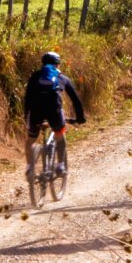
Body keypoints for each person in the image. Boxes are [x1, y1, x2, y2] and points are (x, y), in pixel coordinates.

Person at [22, 51, 86, 184]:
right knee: (60, 134)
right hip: (54, 112)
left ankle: (29, 167)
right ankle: (60, 165)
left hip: (35, 112)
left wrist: (26, 115)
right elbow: (76, 100)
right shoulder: (62, 77)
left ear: (43, 63)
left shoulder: (35, 76)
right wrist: (80, 118)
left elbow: (27, 97)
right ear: (58, 64)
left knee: (31, 139)